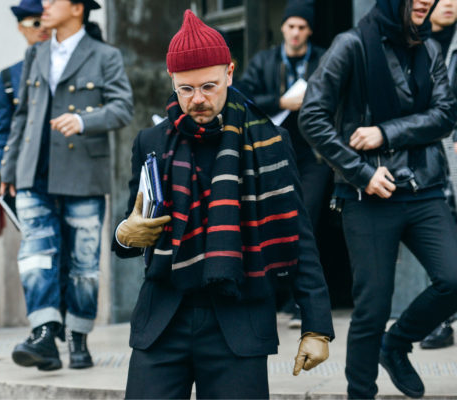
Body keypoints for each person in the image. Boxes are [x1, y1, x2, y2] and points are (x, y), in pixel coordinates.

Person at [113, 10, 333, 399]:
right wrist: (124, 235)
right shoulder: (151, 141)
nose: (197, 99)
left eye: (209, 86)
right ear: (173, 83)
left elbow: (299, 235)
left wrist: (315, 326)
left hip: (239, 318)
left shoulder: (270, 142)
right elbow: (133, 222)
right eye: (185, 89)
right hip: (164, 319)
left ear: (230, 73)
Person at [299, 0, 457, 398]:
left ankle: (397, 344)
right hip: (367, 196)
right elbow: (312, 116)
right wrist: (362, 172)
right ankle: (361, 394)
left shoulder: (430, 48)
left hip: (424, 187)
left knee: (454, 279)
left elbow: (444, 115)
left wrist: (384, 132)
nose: (426, 0)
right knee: (372, 308)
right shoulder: (350, 45)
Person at [0, 0, 134, 370]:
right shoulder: (36, 52)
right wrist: (8, 170)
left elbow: (123, 107)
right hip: (33, 171)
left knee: (84, 262)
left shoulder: (105, 55)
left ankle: (78, 335)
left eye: (53, 0)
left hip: (82, 172)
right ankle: (44, 332)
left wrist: (83, 120)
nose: (44, 6)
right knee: (36, 255)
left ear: (78, 8)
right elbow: (22, 114)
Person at [238, 0, 330, 329]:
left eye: (302, 27)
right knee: (272, 220)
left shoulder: (322, 58)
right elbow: (241, 96)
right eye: (291, 26)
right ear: (282, 28)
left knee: (306, 219)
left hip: (314, 153)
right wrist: (280, 102)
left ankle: (298, 301)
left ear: (309, 30)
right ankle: (274, 296)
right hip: (272, 150)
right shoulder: (264, 60)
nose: (295, 33)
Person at [418, 0, 457, 350]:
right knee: (439, 236)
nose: (447, 3)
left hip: (455, 148)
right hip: (428, 155)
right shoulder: (416, 42)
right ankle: (441, 321)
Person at [0, 0, 50, 166]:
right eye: (36, 23)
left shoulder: (65, 67)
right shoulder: (9, 75)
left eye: (46, 21)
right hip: (23, 168)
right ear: (21, 27)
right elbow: (2, 132)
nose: (43, 28)